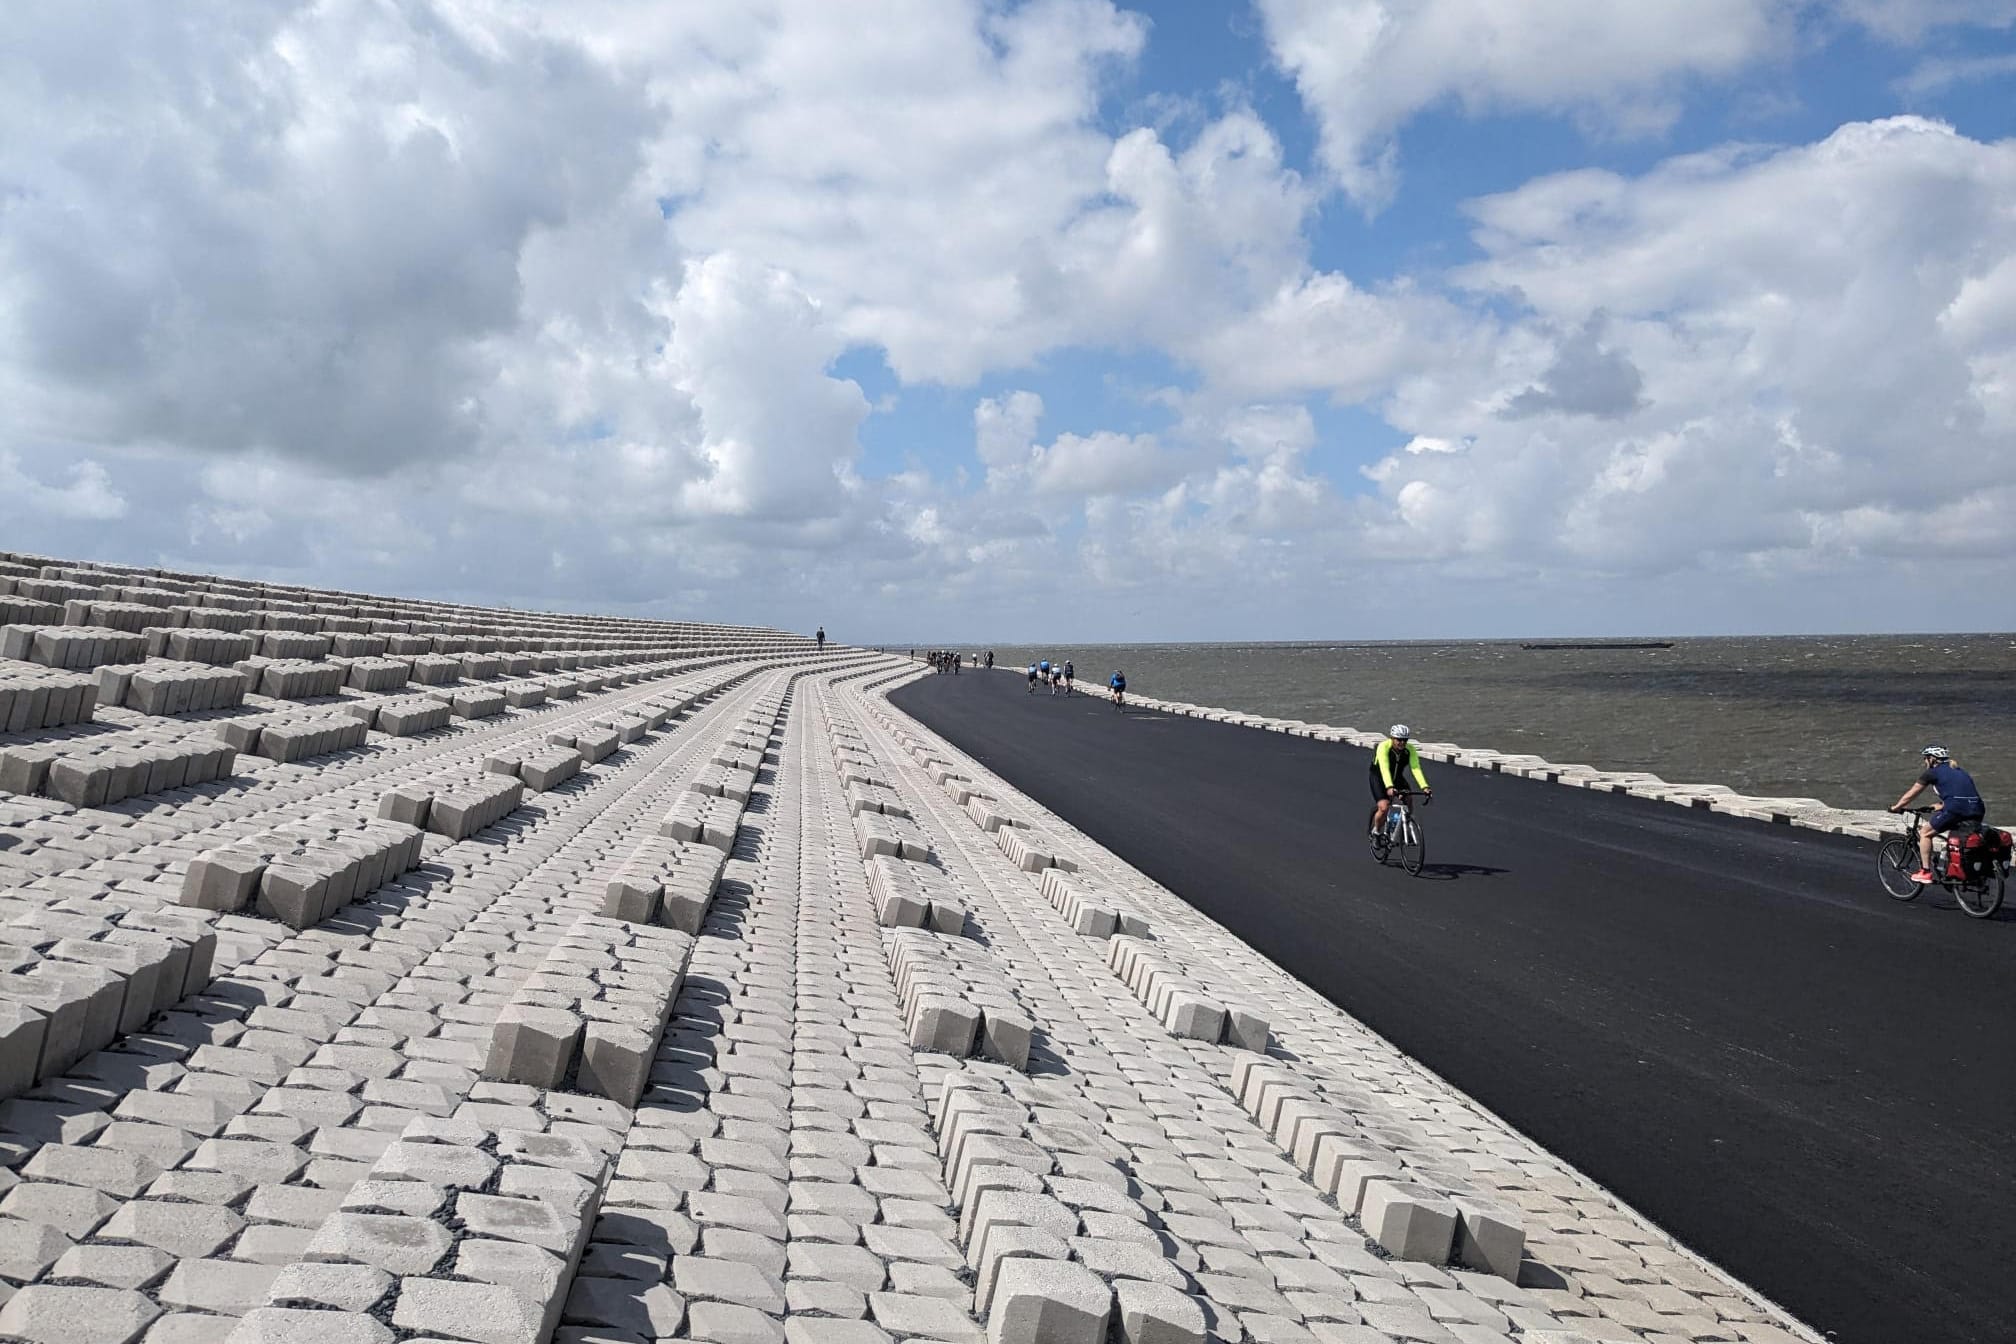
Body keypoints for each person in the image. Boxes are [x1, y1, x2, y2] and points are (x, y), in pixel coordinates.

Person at [1889, 745, 1987, 882]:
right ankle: (1957, 866)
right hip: (1977, 808)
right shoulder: (1960, 771)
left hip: (1956, 809)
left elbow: (1911, 794)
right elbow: (1963, 794)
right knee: (1960, 836)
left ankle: (1925, 872)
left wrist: (1897, 807)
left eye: (1925, 758)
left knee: (1925, 833)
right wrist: (1942, 805)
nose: (1924, 762)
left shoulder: (1932, 773)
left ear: (1932, 759)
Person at [1368, 724, 1431, 841]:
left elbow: (1416, 768)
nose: (1402, 743)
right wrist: (1389, 786)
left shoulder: (1410, 750)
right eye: (1399, 739)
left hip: (1397, 777)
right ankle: (1375, 831)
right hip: (1379, 777)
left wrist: (1425, 787)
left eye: (1405, 740)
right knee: (1384, 807)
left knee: (1408, 799)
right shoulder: (1383, 747)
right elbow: (1384, 768)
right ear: (1392, 738)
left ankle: (1405, 826)